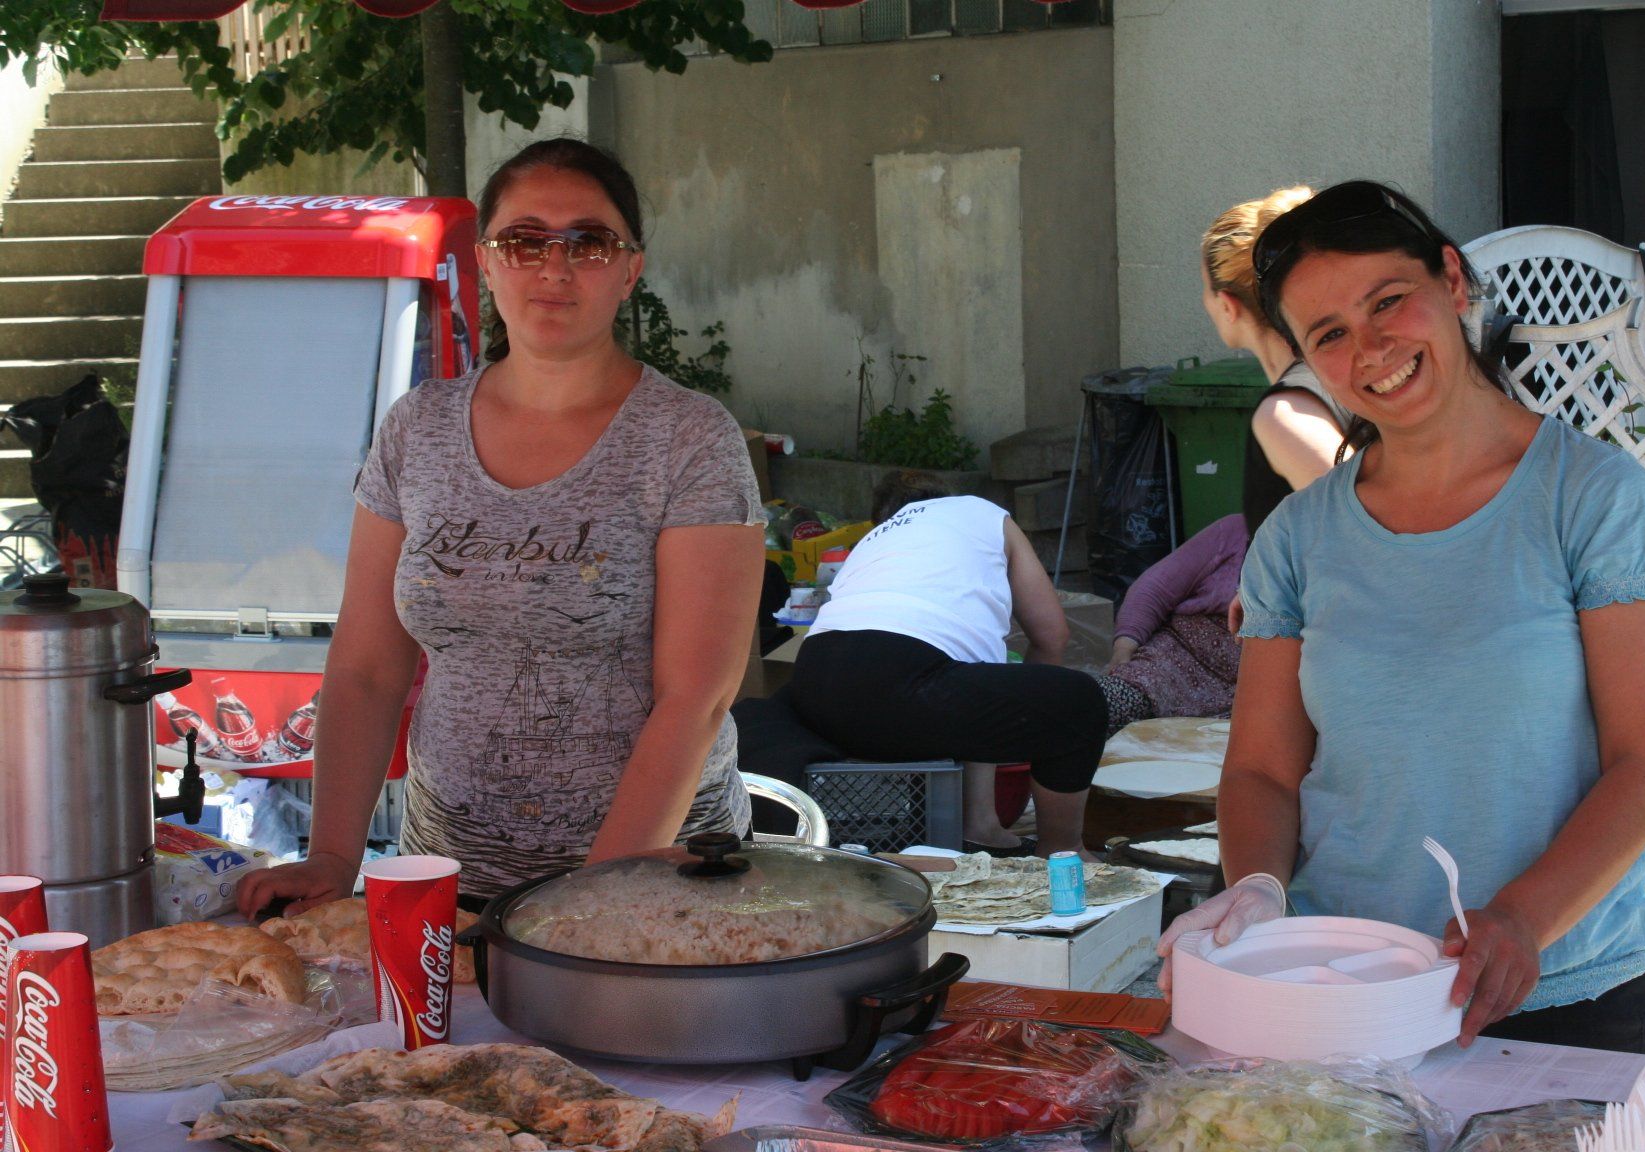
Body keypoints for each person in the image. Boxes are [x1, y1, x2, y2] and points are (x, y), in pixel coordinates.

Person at [1155, 180, 1645, 1055]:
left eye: (1388, 301)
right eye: (1329, 335)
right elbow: (1261, 770)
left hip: (1564, 994)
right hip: (1343, 987)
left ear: (1450, 279)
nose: (1371, 348)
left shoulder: (1597, 502)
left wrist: (1522, 919)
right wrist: (1256, 887)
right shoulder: (1298, 536)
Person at [238, 138, 765, 915]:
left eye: (590, 242)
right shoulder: (417, 428)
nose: (555, 266)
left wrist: (588, 905)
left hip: (651, 895)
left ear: (630, 271)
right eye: (524, 240)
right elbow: (366, 668)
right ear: (486, 262)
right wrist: (333, 857)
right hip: (445, 883)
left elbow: (695, 698)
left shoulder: (689, 439)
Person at [787, 471, 1108, 860]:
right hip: (900, 685)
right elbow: (1051, 637)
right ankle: (1063, 851)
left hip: (813, 685)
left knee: (972, 683)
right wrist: (1039, 730)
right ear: (945, 496)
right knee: (1077, 702)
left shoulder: (874, 540)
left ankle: (981, 827)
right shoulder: (984, 513)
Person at [1201, 186, 1349, 538]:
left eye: (1205, 289)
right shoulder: (1337, 373)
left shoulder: (1286, 416)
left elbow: (1368, 537)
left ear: (1227, 305)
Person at [1095, 512, 1247, 734]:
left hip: (1249, 692)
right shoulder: (1237, 530)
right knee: (1104, 706)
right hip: (1173, 663)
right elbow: (1154, 588)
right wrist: (1123, 649)